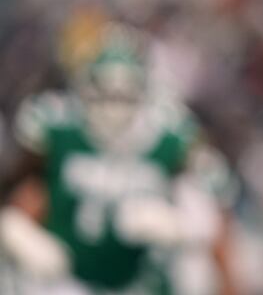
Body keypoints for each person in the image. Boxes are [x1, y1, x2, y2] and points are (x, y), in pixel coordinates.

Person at [0, 23, 238, 295]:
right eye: (104, 95)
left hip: (140, 282)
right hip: (65, 283)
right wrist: (18, 232)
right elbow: (19, 194)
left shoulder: (170, 136)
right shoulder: (56, 126)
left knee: (193, 269)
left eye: (123, 97)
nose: (113, 109)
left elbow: (219, 199)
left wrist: (180, 226)